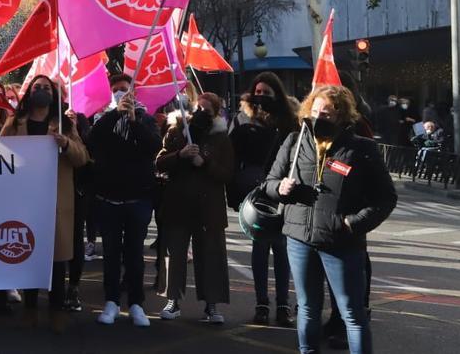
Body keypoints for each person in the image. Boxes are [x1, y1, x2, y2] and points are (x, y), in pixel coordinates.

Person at [263, 85, 397, 354]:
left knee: (352, 313)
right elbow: (269, 182)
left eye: (326, 113)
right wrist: (279, 188)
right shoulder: (294, 141)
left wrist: (354, 223)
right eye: (314, 111)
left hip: (342, 243)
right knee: (308, 308)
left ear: (342, 116)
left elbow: (385, 198)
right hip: (299, 239)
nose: (318, 117)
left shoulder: (361, 148)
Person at [0, 76, 89, 333]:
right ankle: (29, 308)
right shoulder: (15, 123)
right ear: (29, 93)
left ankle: (57, 310)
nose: (41, 91)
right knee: (28, 253)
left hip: (56, 200)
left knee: (57, 259)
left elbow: (83, 158)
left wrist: (67, 144)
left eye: (46, 88)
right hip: (26, 199)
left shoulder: (64, 125)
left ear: (54, 95)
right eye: (37, 88)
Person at [155, 92, 233, 325]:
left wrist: (206, 162)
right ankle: (172, 300)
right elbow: (159, 161)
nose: (200, 114)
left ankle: (212, 303)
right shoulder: (177, 131)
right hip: (178, 204)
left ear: (216, 113)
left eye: (206, 111)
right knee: (175, 253)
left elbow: (227, 173)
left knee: (211, 255)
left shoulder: (221, 137)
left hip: (209, 207)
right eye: (197, 109)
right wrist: (180, 155)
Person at [88, 85, 161, 327]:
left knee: (134, 254)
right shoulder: (105, 119)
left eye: (127, 93)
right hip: (108, 199)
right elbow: (93, 140)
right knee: (110, 253)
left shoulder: (146, 120)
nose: (123, 96)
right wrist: (114, 114)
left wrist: (134, 122)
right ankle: (111, 301)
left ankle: (136, 303)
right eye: (118, 92)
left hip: (138, 199)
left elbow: (153, 147)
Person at [229, 72, 298, 327]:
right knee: (259, 249)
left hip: (281, 191)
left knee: (281, 249)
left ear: (276, 95)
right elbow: (233, 156)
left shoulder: (288, 121)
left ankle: (282, 304)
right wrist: (234, 191)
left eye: (266, 93)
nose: (261, 97)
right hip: (254, 193)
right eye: (257, 92)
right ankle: (261, 303)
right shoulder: (243, 118)